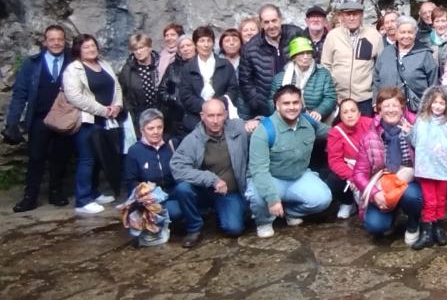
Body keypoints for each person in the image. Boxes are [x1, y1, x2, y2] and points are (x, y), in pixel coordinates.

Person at [246, 85, 332, 238]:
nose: (292, 107)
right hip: (271, 178)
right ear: (277, 105)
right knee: (258, 195)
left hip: (298, 177)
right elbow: (259, 170)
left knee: (323, 199)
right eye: (286, 103)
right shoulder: (264, 130)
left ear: (301, 104)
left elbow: (333, 133)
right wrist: (272, 199)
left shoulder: (309, 123)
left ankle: (290, 212)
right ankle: (264, 221)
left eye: (295, 102)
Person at [4, 25, 73, 212]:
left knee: (61, 157)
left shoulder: (73, 62)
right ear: (45, 42)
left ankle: (56, 192)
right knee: (35, 158)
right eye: (52, 39)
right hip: (39, 118)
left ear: (64, 40)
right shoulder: (32, 64)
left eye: (60, 39)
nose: (56, 42)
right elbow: (20, 93)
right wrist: (12, 121)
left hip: (64, 118)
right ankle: (30, 196)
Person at [170, 97, 251, 246]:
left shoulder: (237, 128)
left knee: (234, 229)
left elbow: (263, 123)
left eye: (219, 115)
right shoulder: (193, 139)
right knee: (183, 189)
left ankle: (219, 212)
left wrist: (257, 121)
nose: (215, 120)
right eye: (210, 116)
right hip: (205, 191)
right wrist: (211, 179)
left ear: (226, 115)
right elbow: (177, 166)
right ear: (202, 116)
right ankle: (194, 228)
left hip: (229, 192)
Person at [351, 87, 424, 242]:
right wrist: (375, 194)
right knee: (375, 226)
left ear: (402, 108)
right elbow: (359, 173)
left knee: (412, 197)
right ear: (379, 110)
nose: (391, 110)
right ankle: (392, 215)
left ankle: (413, 223)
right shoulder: (370, 136)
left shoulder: (417, 126)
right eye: (386, 106)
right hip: (383, 184)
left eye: (395, 105)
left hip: (410, 181)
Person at [63, 34, 124, 216]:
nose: (91, 49)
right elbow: (75, 97)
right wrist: (103, 110)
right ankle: (82, 200)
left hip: (107, 120)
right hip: (87, 121)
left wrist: (117, 105)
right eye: (86, 47)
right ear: (78, 50)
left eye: (93, 46)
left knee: (98, 158)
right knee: (87, 159)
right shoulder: (73, 69)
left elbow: (117, 86)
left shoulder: (104, 64)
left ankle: (94, 192)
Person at [408, 86, 447, 249]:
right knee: (430, 200)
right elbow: (415, 142)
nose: (438, 106)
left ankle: (438, 228)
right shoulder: (421, 121)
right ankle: (427, 231)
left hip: (442, 167)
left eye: (442, 103)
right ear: (428, 102)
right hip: (426, 168)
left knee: (441, 199)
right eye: (434, 102)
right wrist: (409, 132)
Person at [238, 4, 302, 119]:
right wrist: (258, 104)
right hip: (267, 108)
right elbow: (245, 81)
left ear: (281, 19)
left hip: (297, 103)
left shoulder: (296, 34)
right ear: (261, 24)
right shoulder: (250, 48)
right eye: (266, 22)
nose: (271, 26)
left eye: (274, 21)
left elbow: (311, 61)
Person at [322, 1, 384, 116]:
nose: (352, 18)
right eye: (348, 14)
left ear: (361, 15)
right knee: (340, 132)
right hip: (338, 98)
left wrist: (376, 96)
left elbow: (381, 67)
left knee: (366, 132)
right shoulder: (333, 36)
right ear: (342, 16)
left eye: (355, 14)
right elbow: (326, 65)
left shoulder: (374, 35)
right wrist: (332, 91)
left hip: (365, 98)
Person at [123, 108, 183, 225]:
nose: (156, 132)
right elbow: (131, 181)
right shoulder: (134, 151)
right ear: (142, 130)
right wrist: (143, 194)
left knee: (178, 208)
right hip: (149, 198)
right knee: (172, 211)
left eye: (159, 127)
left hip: (172, 194)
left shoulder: (172, 145)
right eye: (150, 128)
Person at [178, 25, 240, 134]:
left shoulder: (225, 65)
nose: (206, 45)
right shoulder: (188, 68)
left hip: (222, 117)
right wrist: (205, 107)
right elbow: (185, 95)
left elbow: (233, 89)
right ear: (195, 44)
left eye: (209, 41)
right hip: (196, 118)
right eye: (202, 41)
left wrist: (218, 105)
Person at [374, 15, 438, 112]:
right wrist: (376, 101)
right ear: (396, 33)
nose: (406, 36)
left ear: (415, 34)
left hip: (417, 109)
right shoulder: (386, 52)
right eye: (402, 32)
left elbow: (433, 83)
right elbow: (376, 79)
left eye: (410, 32)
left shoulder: (425, 54)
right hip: (388, 109)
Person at [325, 98, 375, 218]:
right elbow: (335, 161)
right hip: (351, 169)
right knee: (333, 180)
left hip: (372, 168)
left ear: (359, 113)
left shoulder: (370, 123)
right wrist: (353, 176)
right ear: (340, 116)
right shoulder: (335, 133)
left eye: (353, 111)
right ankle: (347, 202)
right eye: (345, 112)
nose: (349, 115)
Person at [268, 37, 337, 122]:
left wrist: (319, 111)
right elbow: (272, 101)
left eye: (308, 53)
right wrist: (283, 115)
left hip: (314, 120)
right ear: (293, 57)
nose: (305, 57)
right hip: (286, 120)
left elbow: (330, 97)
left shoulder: (323, 74)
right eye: (301, 53)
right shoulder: (280, 77)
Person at [118, 33, 161, 136]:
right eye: (135, 49)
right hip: (138, 113)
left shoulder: (160, 63)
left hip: (160, 111)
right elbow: (122, 92)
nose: (138, 51)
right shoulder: (128, 69)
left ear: (149, 47)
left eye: (141, 47)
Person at [157, 34, 195, 141]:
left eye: (188, 45)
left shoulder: (203, 65)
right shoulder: (173, 68)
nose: (186, 49)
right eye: (182, 47)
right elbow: (161, 91)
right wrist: (175, 98)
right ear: (178, 51)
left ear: (195, 46)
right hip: (178, 117)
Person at [430, 6, 447, 73]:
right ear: (433, 23)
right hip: (434, 81)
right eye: (437, 21)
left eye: (443, 21)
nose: (440, 25)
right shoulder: (428, 41)